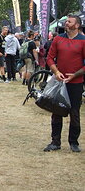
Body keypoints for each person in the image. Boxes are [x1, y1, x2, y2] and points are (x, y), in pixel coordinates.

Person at [44, 15, 85, 153]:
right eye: (66, 21)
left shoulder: (83, 41)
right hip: (59, 82)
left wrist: (75, 74)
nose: (66, 23)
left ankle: (73, 142)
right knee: (56, 111)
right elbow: (49, 58)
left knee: (74, 112)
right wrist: (56, 72)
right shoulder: (58, 38)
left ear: (77, 25)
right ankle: (55, 142)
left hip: (76, 82)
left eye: (69, 22)